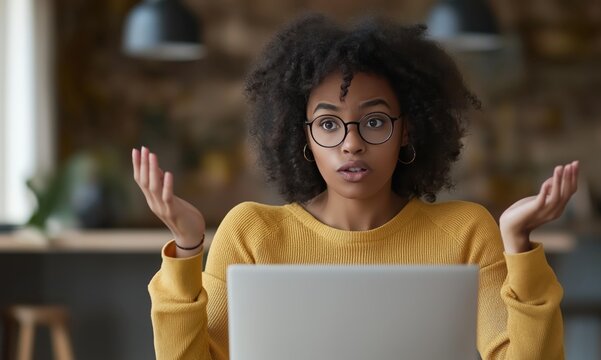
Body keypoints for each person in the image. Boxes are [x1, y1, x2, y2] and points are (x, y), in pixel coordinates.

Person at [131, 14, 578, 360]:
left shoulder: (466, 232)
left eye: (375, 121)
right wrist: (188, 249)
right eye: (328, 124)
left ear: (407, 130)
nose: (352, 144)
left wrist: (518, 248)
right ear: (303, 135)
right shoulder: (250, 233)